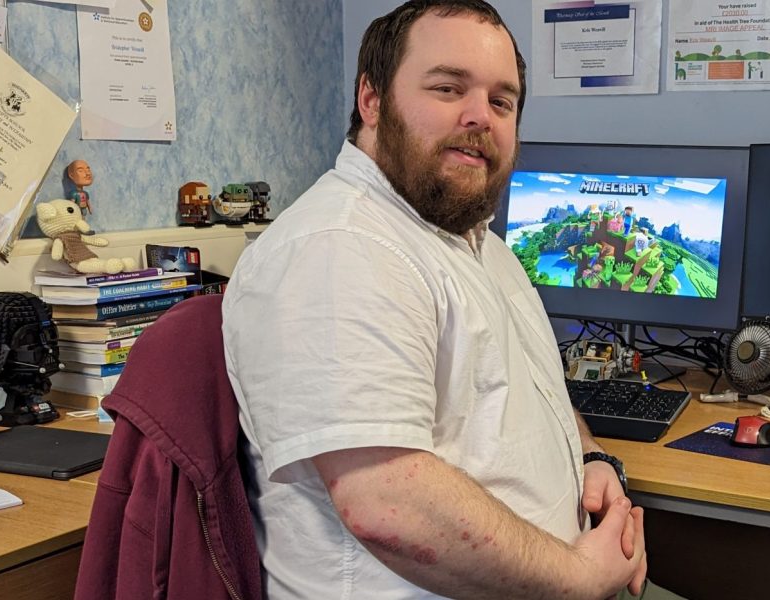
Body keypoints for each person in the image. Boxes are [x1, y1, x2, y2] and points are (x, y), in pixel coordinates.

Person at [221, 2, 647, 599]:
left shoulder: (474, 243)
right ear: (371, 101)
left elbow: (534, 391)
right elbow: (387, 504)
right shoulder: (340, 247)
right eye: (448, 88)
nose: (480, 116)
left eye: (503, 102)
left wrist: (593, 460)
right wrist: (580, 578)